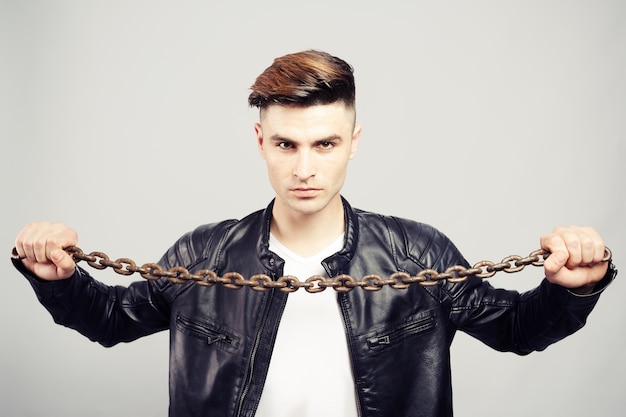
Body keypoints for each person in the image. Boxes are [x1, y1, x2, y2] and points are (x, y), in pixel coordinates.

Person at [12, 50, 617, 417]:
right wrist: (56, 279)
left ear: (354, 142)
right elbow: (112, 320)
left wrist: (571, 289)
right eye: (286, 144)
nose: (305, 169)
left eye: (325, 144)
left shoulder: (417, 254)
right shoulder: (205, 253)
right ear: (260, 142)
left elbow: (516, 330)